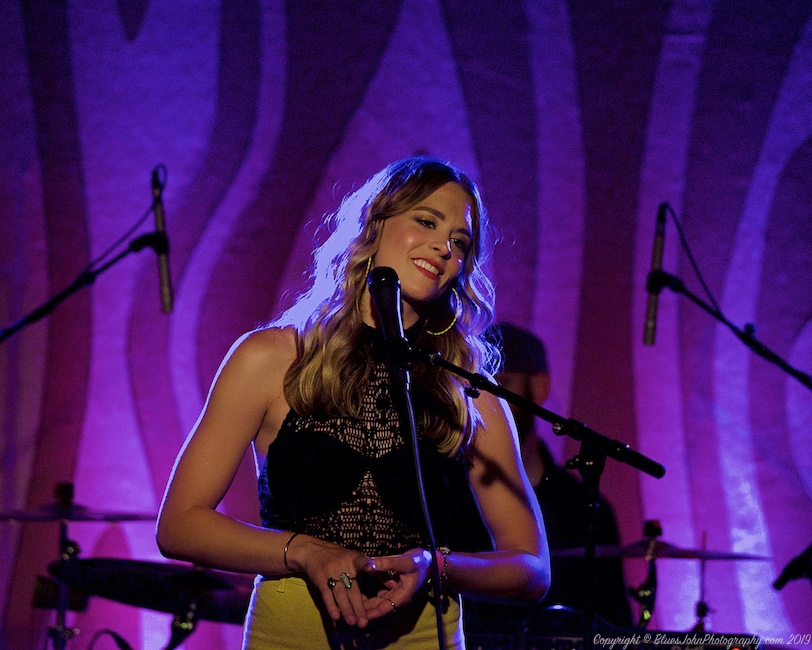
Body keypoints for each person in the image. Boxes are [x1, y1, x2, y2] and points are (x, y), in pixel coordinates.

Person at [156, 157, 550, 649]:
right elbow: (179, 525)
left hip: (425, 636)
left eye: (460, 242)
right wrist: (303, 553)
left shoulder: (466, 389)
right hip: (293, 631)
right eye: (426, 221)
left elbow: (531, 568)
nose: (444, 247)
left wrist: (437, 566)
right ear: (373, 224)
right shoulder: (271, 357)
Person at [465, 323, 631, 639]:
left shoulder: (585, 508)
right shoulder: (452, 495)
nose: (486, 402)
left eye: (500, 385)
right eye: (476, 389)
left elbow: (615, 625)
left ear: (539, 388)